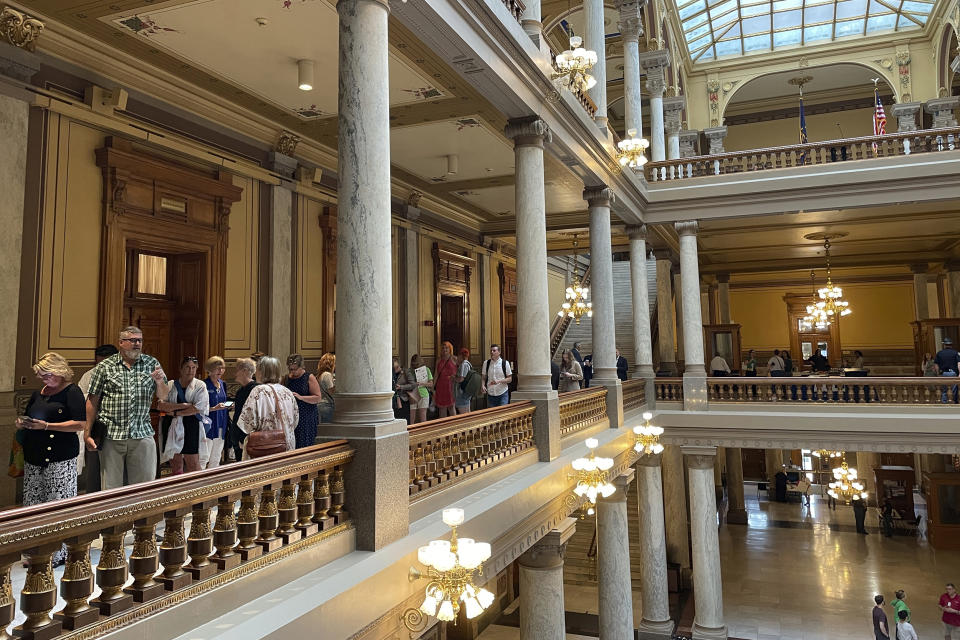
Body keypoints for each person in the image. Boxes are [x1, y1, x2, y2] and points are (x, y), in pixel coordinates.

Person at [18, 353, 86, 566]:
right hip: (34, 457)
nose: (43, 380)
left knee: (58, 505)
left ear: (60, 372)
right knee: (33, 505)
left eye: (47, 375)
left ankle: (58, 554)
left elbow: (80, 424)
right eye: (41, 376)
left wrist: (47, 426)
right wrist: (23, 423)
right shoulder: (38, 393)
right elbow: (29, 414)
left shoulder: (71, 392)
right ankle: (34, 552)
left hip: (60, 457)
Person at [85, 326, 168, 490]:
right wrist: (87, 433)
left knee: (143, 488)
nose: (137, 344)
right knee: (111, 488)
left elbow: (164, 395)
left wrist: (159, 382)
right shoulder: (105, 366)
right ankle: (115, 517)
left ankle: (141, 517)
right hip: (111, 436)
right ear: (121, 343)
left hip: (142, 434)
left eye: (140, 340)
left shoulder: (152, 363)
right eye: (132, 340)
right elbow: (92, 400)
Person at [236, 356, 299, 459]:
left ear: (262, 372)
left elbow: (247, 423)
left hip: (265, 447)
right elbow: (295, 421)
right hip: (286, 445)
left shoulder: (258, 391)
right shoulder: (287, 392)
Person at [76, 344, 118, 493]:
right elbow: (81, 400)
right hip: (96, 427)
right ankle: (94, 503)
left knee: (115, 470)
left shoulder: (124, 375)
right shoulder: (89, 375)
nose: (101, 367)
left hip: (118, 429)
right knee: (94, 469)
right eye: (98, 363)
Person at [160, 356, 208, 475]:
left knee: (192, 462)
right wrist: (184, 405)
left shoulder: (200, 385)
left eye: (193, 368)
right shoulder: (170, 384)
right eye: (187, 367)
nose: (190, 370)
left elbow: (197, 408)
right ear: (181, 369)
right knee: (175, 461)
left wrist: (175, 412)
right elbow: (161, 405)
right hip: (171, 424)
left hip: (191, 425)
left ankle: (197, 490)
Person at [283, 354, 321, 449]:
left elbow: (318, 398)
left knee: (305, 442)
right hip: (292, 415)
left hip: (306, 415)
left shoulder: (309, 377)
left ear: (301, 367)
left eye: (295, 369)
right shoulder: (287, 378)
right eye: (290, 369)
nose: (292, 372)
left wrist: (301, 397)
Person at [201, 356, 230, 467]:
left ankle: (213, 483)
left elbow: (224, 400)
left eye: (222, 368)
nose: (220, 371)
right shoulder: (203, 385)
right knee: (204, 457)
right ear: (209, 370)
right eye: (217, 368)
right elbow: (199, 408)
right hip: (208, 425)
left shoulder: (223, 384)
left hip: (221, 424)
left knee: (216, 456)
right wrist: (214, 408)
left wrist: (228, 406)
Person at [229, 358, 258, 462]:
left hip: (247, 439)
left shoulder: (256, 389)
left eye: (237, 369)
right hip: (238, 439)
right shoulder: (241, 390)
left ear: (245, 371)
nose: (234, 373)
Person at [405, 354, 433, 423]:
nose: (415, 366)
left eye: (416, 364)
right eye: (413, 364)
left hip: (423, 394)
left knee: (423, 416)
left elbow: (431, 384)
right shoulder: (409, 371)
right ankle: (411, 431)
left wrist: (422, 383)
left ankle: (423, 432)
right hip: (413, 394)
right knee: (411, 416)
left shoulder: (426, 369)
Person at [433, 341, 458, 418]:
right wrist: (433, 386)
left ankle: (454, 425)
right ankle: (443, 426)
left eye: (446, 348)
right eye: (443, 348)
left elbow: (460, 372)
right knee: (441, 408)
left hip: (450, 385)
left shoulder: (454, 358)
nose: (444, 350)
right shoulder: (439, 360)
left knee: (451, 406)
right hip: (441, 385)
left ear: (450, 349)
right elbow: (436, 374)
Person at [934, 338, 959, 403]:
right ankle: (954, 402)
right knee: (954, 389)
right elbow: (959, 364)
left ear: (944, 345)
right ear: (951, 345)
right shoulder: (956, 353)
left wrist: (937, 374)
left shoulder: (939, 353)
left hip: (944, 373)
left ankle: (944, 402)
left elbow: (936, 365)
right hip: (953, 373)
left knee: (944, 389)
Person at [316, 353, 336, 424]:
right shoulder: (327, 375)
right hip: (326, 406)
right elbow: (331, 391)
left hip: (322, 405)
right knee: (328, 430)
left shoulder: (321, 374)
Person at [454, 349, 473, 414]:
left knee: (463, 414)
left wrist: (453, 378)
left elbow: (461, 379)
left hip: (462, 392)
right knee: (467, 412)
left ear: (461, 356)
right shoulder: (468, 364)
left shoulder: (463, 365)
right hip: (467, 390)